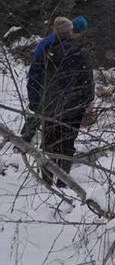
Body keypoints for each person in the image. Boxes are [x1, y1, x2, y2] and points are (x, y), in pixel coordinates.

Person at [27, 16, 95, 185]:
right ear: (71, 30)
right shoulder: (80, 51)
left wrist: (35, 103)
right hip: (74, 107)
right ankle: (62, 182)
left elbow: (34, 78)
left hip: (49, 106)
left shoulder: (44, 50)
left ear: (55, 31)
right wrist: (87, 102)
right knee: (67, 143)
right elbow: (87, 80)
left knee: (49, 143)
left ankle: (47, 180)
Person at [22, 16, 89, 145]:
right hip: (48, 87)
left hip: (46, 86)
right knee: (42, 114)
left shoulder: (54, 39)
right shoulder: (54, 43)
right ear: (75, 29)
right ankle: (26, 138)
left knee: (42, 113)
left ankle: (28, 137)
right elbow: (38, 64)